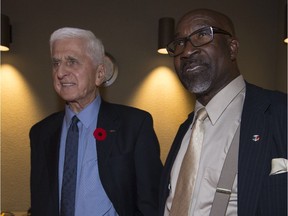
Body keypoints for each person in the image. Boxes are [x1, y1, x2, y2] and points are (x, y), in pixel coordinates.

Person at [159, 8, 287, 216]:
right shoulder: (186, 129)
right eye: (180, 43)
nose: (187, 51)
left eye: (201, 35)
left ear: (232, 48)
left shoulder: (280, 113)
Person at [30, 27, 163, 216]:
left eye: (72, 62)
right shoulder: (40, 133)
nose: (60, 72)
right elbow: (40, 202)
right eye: (56, 63)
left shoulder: (134, 126)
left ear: (99, 74)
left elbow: (151, 204)